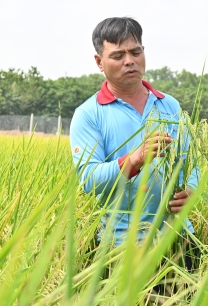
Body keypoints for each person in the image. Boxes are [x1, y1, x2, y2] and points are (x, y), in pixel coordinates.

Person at [69, 17, 200, 270]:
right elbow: (88, 180)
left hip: (179, 238)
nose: (129, 61)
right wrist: (135, 159)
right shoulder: (89, 114)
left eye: (135, 52)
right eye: (118, 56)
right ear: (99, 62)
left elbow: (190, 161)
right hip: (123, 245)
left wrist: (192, 190)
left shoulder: (169, 104)